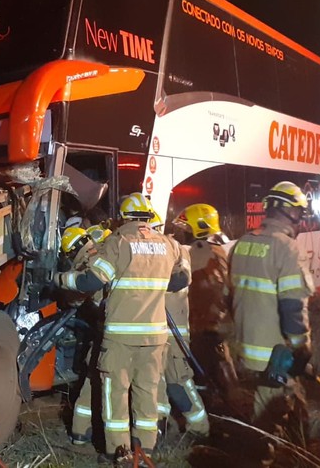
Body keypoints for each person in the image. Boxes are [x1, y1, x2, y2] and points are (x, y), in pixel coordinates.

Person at [54, 192, 190, 465]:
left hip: (120, 338)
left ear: (123, 217)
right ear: (149, 217)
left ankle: (118, 452)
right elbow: (180, 280)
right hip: (154, 337)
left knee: (115, 395)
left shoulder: (118, 243)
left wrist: (58, 278)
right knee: (147, 394)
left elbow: (90, 282)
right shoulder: (169, 245)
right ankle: (146, 452)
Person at [228, 181, 314, 446]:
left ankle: (301, 448)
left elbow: (231, 296)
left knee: (291, 397)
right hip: (275, 352)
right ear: (288, 211)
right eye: (300, 212)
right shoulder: (287, 248)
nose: (301, 219)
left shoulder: (242, 243)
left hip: (247, 345)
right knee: (269, 412)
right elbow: (292, 306)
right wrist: (301, 346)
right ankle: (260, 456)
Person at [172, 204, 241, 416]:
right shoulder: (215, 250)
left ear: (198, 229)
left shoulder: (201, 253)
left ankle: (236, 417)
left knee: (217, 373)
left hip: (206, 328)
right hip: (212, 326)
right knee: (215, 370)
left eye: (185, 228)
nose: (180, 233)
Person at [159, 210, 211, 441]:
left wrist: (149, 281)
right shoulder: (161, 249)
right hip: (154, 330)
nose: (176, 229)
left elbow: (181, 279)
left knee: (178, 381)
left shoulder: (180, 252)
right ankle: (161, 429)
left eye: (181, 227)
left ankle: (200, 428)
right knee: (154, 381)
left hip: (174, 331)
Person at [59, 226, 104, 447]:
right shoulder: (105, 251)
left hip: (109, 329)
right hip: (137, 327)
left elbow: (75, 299)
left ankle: (81, 432)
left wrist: (59, 281)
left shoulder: (85, 264)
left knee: (93, 374)